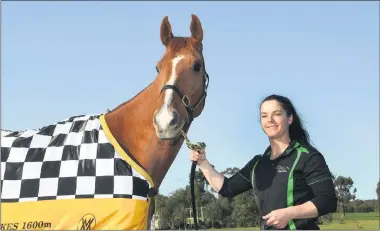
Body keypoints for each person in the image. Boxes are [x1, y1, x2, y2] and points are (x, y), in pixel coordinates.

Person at [189, 94, 337, 230]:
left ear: (290, 118)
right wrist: (203, 162)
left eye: (277, 114)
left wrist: (289, 213)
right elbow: (228, 188)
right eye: (264, 116)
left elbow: (327, 200)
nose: (270, 120)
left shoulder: (308, 156)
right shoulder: (257, 163)